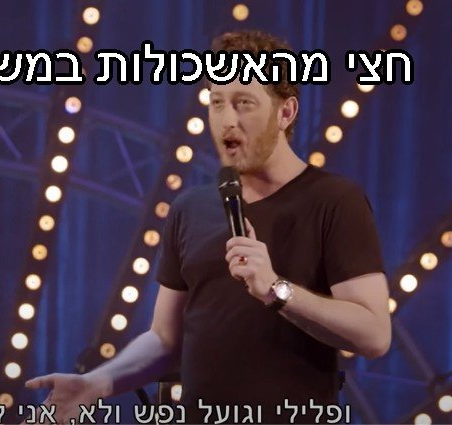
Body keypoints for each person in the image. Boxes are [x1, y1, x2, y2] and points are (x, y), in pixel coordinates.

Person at [25, 29, 391, 424]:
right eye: (217, 103)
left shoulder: (334, 201)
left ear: (285, 113)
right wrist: (96, 383)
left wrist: (276, 290)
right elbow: (165, 339)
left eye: (244, 103)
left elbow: (374, 335)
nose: (227, 120)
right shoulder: (191, 207)